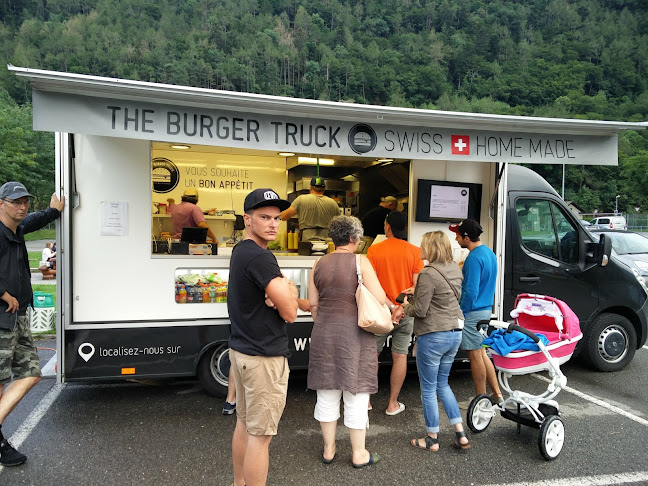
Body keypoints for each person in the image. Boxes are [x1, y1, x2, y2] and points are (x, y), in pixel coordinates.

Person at [227, 188, 299, 486]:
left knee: (244, 424)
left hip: (242, 353)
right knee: (261, 437)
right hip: (263, 359)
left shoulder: (241, 249)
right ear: (247, 219)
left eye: (277, 218)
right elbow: (291, 312)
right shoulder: (260, 257)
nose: (273, 223)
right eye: (264, 217)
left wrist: (284, 291)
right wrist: (287, 291)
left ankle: (238, 483)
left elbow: (283, 299)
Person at [307, 215, 386, 468]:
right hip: (355, 335)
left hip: (324, 334)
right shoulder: (361, 261)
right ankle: (358, 453)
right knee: (356, 393)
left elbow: (314, 306)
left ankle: (329, 449)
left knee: (327, 391)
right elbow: (380, 298)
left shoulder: (318, 262)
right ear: (352, 238)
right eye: (359, 237)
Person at [0, 182, 65, 466]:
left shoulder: (17, 229)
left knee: (32, 374)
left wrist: (53, 211)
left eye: (24, 201)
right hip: (2, 316)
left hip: (19, 316)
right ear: (1, 203)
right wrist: (3, 294)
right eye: (15, 202)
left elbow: (33, 220)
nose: (21, 206)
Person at [398, 231, 470, 452]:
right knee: (442, 384)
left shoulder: (428, 273)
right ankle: (460, 432)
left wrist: (403, 305)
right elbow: (445, 298)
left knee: (428, 389)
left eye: (423, 245)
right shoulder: (454, 269)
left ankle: (431, 438)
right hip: (454, 333)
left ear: (431, 247)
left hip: (433, 335)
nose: (420, 248)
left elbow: (420, 310)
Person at [366, 211, 423, 415]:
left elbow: (369, 284)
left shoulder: (374, 251)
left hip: (380, 310)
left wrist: (391, 306)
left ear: (387, 227)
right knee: (400, 356)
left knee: (372, 355)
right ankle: (392, 404)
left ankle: (367, 402)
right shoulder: (415, 252)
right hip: (405, 312)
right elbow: (417, 285)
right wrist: (401, 306)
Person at [449, 219, 503, 408]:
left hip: (472, 312)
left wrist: (460, 312)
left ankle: (480, 400)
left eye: (457, 235)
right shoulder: (489, 253)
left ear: (466, 237)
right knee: (482, 352)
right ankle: (497, 394)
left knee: (474, 356)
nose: (455, 239)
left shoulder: (473, 258)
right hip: (486, 310)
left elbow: (470, 291)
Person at [280, 176, 339, 241]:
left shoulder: (301, 199)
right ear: (324, 189)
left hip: (308, 239)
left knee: (307, 250)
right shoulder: (333, 203)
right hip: (327, 241)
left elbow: (284, 216)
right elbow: (339, 225)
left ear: (310, 187)